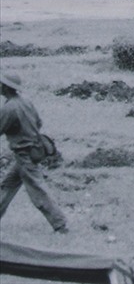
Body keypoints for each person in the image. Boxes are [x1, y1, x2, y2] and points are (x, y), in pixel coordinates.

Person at [0, 73, 68, 233]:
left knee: (37, 189)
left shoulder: (8, 108)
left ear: (6, 87)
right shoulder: (26, 102)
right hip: (31, 151)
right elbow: (38, 122)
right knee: (7, 185)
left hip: (24, 154)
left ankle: (59, 224)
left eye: (1, 84)